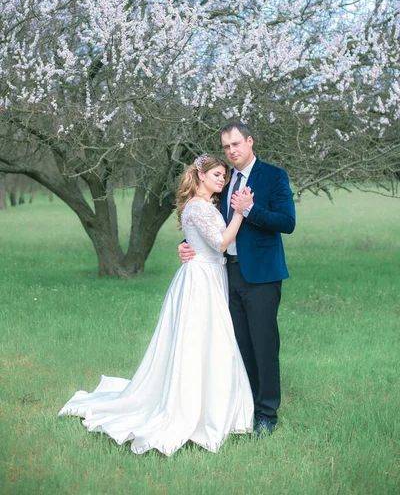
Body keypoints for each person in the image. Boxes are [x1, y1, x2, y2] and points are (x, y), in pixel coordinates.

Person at [58, 155, 254, 456]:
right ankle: (194, 408)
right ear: (200, 176)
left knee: (213, 342)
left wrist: (188, 244)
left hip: (210, 276)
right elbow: (220, 243)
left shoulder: (205, 205)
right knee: (200, 343)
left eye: (224, 176)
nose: (222, 180)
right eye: (216, 174)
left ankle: (215, 404)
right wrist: (240, 213)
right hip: (201, 281)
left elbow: (202, 242)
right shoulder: (199, 207)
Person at [179, 122, 296, 436]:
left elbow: (287, 222)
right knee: (240, 345)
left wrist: (252, 208)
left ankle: (267, 415)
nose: (231, 151)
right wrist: (187, 244)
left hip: (262, 276)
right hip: (226, 274)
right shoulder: (225, 180)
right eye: (226, 147)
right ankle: (246, 406)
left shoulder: (273, 176)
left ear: (249, 141)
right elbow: (207, 221)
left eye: (236, 144)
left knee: (264, 344)